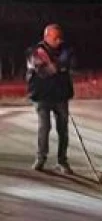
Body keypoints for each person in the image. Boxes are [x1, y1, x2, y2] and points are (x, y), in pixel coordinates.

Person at [26, 24, 76, 173]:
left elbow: (71, 65)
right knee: (45, 127)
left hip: (60, 95)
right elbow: (45, 71)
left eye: (60, 37)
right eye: (55, 38)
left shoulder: (66, 50)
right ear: (46, 37)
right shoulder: (35, 52)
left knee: (63, 129)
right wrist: (59, 66)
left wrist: (58, 65)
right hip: (41, 96)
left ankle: (62, 161)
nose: (59, 41)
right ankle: (40, 158)